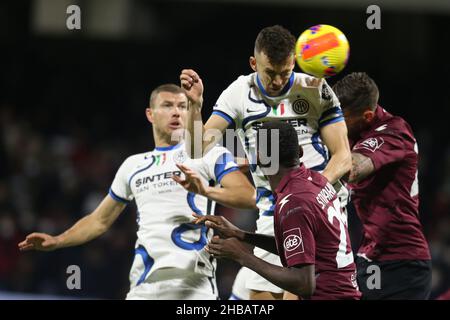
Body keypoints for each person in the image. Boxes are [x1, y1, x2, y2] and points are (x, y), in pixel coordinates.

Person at [18, 84, 256, 300]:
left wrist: (207, 191)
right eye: (167, 105)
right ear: (150, 114)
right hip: (143, 287)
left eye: (183, 106)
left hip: (193, 286)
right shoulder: (133, 165)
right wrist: (57, 240)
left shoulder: (208, 153)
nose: (177, 112)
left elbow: (248, 196)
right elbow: (99, 221)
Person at [180, 25, 351, 299]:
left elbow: (343, 155)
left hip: (315, 210)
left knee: (301, 290)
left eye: (285, 72)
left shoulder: (315, 88)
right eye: (270, 73)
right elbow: (196, 148)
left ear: (294, 63)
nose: (277, 81)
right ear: (253, 63)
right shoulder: (238, 92)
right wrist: (195, 106)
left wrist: (314, 192)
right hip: (272, 210)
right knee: (259, 297)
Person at [193, 121, 361, 300]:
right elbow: (300, 247)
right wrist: (240, 234)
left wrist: (242, 255)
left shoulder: (293, 203)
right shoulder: (316, 181)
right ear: (300, 152)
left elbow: (304, 284)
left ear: (259, 159)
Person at [332, 72, 432, 299]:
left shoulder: (394, 132)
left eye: (342, 119)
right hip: (371, 258)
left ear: (367, 116)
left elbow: (353, 170)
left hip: (403, 263)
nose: (337, 124)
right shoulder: (355, 129)